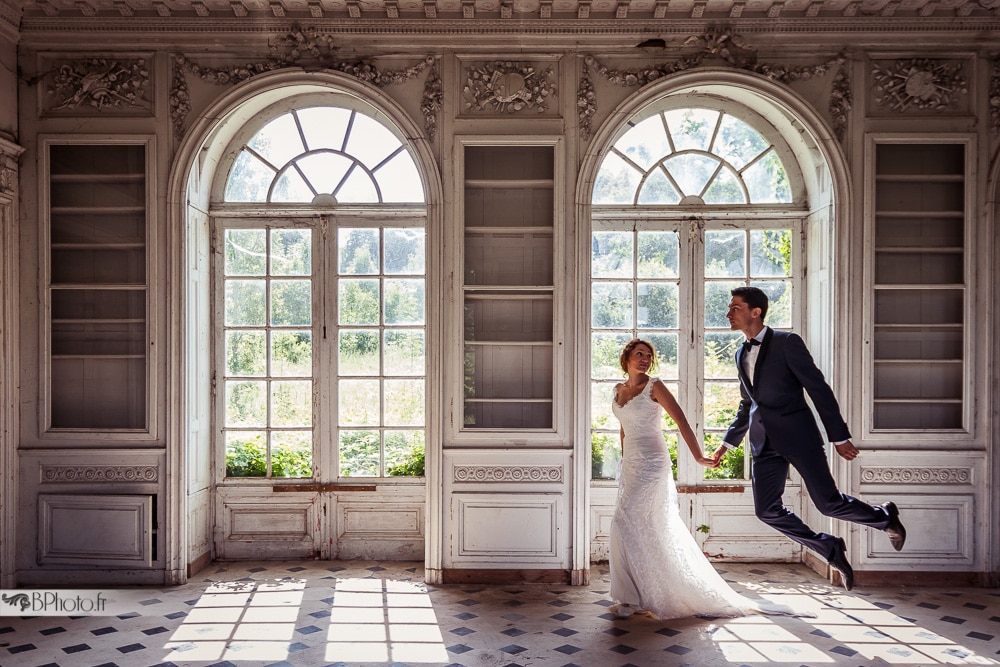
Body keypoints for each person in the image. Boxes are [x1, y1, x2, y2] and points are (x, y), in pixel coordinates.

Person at [711, 286, 906, 591]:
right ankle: (828, 547)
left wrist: (839, 437)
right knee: (766, 511)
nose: (728, 314)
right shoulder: (740, 353)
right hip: (764, 443)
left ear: (755, 311)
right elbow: (748, 403)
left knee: (828, 504)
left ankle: (883, 516)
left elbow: (818, 389)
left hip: (799, 437)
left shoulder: (788, 343)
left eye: (735, 307)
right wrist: (727, 443)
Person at [609, 338, 798, 620]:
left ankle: (638, 597)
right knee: (632, 524)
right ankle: (632, 596)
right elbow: (624, 429)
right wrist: (624, 461)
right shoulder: (617, 390)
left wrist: (698, 456)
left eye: (649, 355)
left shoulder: (655, 386)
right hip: (632, 464)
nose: (645, 359)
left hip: (652, 462)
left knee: (627, 520)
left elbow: (681, 421)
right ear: (627, 358)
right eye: (639, 354)